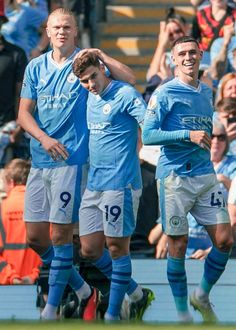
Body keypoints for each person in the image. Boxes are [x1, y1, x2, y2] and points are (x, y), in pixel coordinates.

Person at [17, 7, 136, 320]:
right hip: (40, 159)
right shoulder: (35, 67)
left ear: (74, 31)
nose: (61, 32)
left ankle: (51, 310)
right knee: (35, 238)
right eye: (56, 27)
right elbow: (23, 114)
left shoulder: (85, 63)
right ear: (47, 30)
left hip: (73, 160)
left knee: (59, 237)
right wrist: (43, 139)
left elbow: (128, 79)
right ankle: (89, 291)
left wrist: (102, 56)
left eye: (67, 27)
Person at [142, 35, 233, 323]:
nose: (188, 57)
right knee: (177, 245)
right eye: (181, 53)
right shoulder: (164, 93)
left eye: (192, 52)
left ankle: (201, 294)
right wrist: (186, 135)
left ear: (201, 54)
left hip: (204, 175)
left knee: (224, 239)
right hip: (174, 178)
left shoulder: (206, 93)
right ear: (173, 59)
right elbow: (148, 135)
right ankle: (183, 313)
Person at [72, 51, 155, 321]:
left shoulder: (124, 94)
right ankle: (137, 294)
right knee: (90, 250)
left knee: (118, 248)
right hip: (94, 184)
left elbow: (147, 121)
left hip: (121, 183)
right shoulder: (88, 97)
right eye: (84, 81)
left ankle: (112, 315)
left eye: (93, 77)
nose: (90, 85)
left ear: (102, 68)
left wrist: (100, 54)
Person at [0, 158, 42, 285]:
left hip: (8, 285)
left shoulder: (3, 208)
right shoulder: (42, 206)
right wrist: (34, 275)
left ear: (11, 183)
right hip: (38, 284)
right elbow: (52, 249)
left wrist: (12, 277)